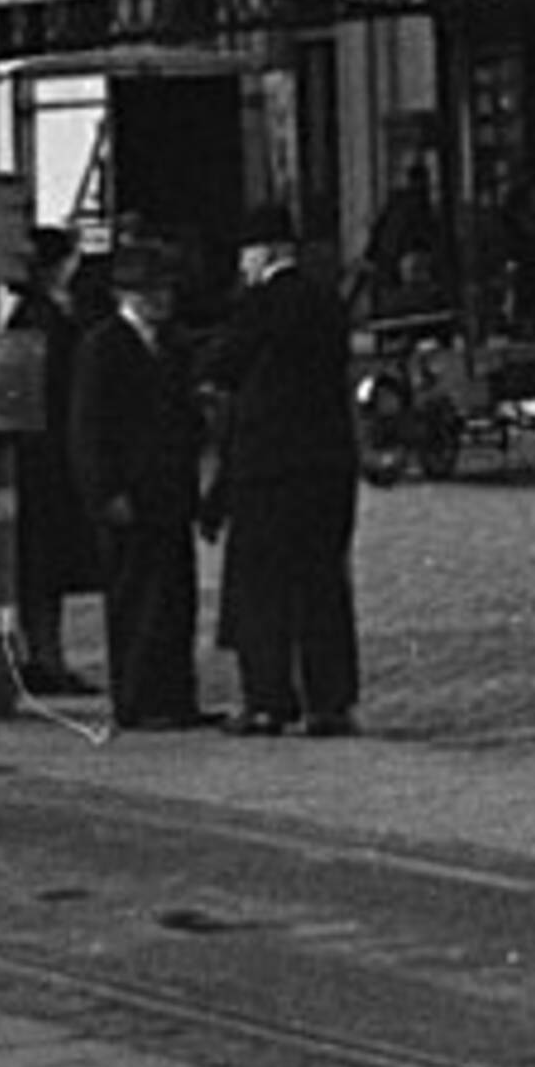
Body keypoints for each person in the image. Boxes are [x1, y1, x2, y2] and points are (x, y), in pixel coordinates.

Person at [204, 201, 360, 739]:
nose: (241, 264)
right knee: (322, 584)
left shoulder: (259, 305)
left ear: (264, 252)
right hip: (327, 465)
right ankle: (330, 702)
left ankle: (269, 700)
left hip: (268, 468)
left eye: (246, 253)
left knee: (262, 587)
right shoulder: (325, 301)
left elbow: (224, 366)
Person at [69, 236, 213, 732]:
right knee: (135, 597)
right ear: (126, 296)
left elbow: (188, 419)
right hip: (129, 493)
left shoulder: (173, 346)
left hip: (169, 490)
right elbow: (89, 429)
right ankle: (136, 698)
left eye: (166, 291)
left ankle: (175, 695)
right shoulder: (104, 347)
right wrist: (105, 492)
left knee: (175, 596)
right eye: (152, 292)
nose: (163, 301)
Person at [4, 228, 99, 697]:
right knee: (45, 562)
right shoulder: (46, 321)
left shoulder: (31, 316)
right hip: (48, 454)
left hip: (36, 451)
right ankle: (45, 655)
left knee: (42, 563)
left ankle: (42, 653)